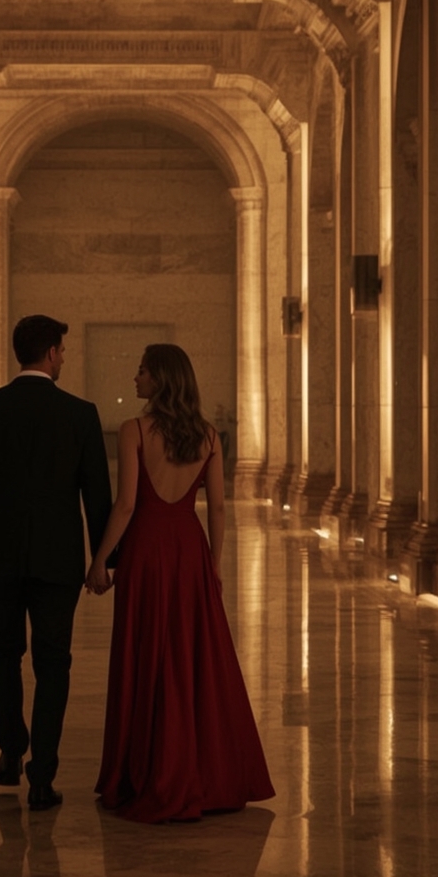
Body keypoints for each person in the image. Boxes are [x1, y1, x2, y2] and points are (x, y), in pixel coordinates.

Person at [85, 343, 274, 823]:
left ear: (162, 379)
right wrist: (213, 564)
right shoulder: (208, 436)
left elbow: (126, 505)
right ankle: (204, 771)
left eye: (143, 370)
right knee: (193, 658)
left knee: (146, 654)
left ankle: (147, 769)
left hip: (147, 552)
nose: (135, 378)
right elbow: (220, 508)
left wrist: (100, 560)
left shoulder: (134, 431)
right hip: (189, 551)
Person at [0, 314, 113, 811]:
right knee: (52, 664)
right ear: (51, 354)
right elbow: (97, 498)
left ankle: (10, 748)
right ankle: (41, 775)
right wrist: (105, 560)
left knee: (2, 654)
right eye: (61, 351)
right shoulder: (81, 415)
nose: (62, 358)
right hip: (58, 561)